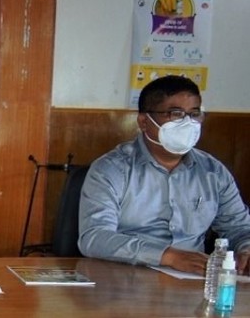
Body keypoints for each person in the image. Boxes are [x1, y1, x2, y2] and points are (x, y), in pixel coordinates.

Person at [78, 75, 250, 275]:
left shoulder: (213, 172)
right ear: (144, 122)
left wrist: (246, 248)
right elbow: (94, 237)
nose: (187, 123)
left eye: (194, 114)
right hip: (125, 279)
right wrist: (167, 256)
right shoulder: (112, 169)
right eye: (175, 114)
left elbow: (239, 228)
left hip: (194, 281)